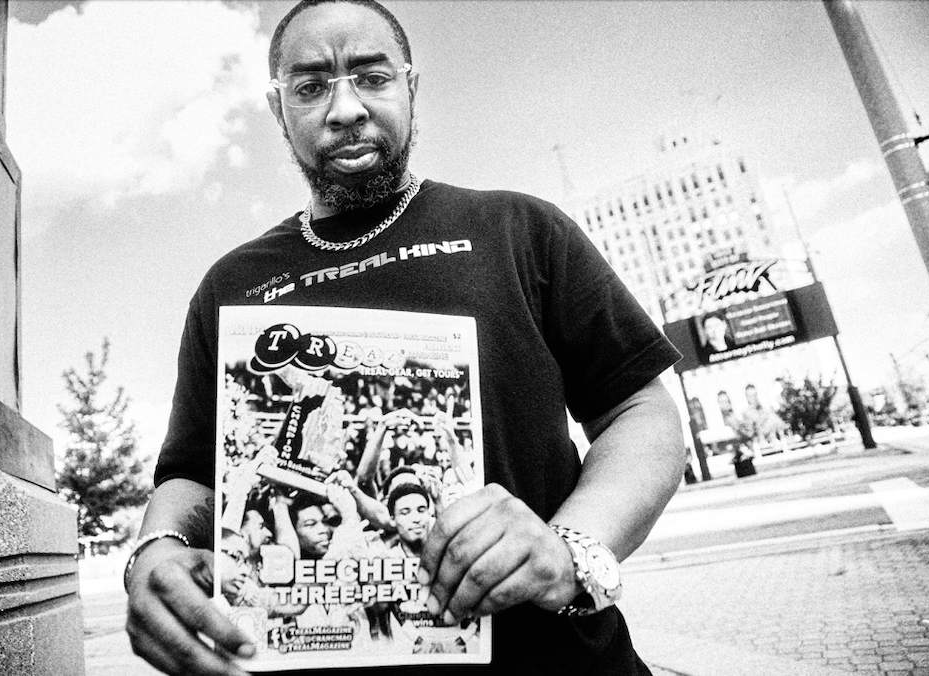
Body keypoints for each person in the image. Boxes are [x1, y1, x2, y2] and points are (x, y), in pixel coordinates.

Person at [124, 1, 685, 675]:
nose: (346, 108)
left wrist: (570, 547)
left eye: (371, 76)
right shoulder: (229, 286)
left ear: (411, 88)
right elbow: (192, 473)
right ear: (279, 111)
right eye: (310, 87)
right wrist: (154, 550)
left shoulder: (519, 230)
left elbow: (640, 413)